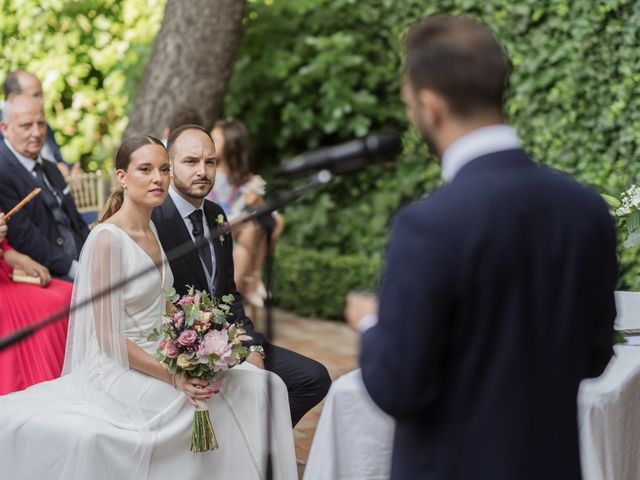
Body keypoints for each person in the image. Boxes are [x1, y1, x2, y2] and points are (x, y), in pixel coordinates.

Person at [345, 15, 618, 480]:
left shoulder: (427, 225)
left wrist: (371, 324)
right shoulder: (585, 209)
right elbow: (595, 356)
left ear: (430, 106)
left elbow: (398, 387)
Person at [0, 136, 298, 479]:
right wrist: (176, 375)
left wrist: (200, 346)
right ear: (122, 176)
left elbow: (169, 303)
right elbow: (109, 338)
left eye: (164, 169)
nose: (157, 178)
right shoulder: (106, 239)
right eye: (145, 169)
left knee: (264, 384)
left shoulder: (153, 228)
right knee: (208, 398)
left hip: (162, 352)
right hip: (119, 368)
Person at [152, 124, 330, 426]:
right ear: (169, 165)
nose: (202, 171)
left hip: (227, 342)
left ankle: (257, 446)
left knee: (314, 378)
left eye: (210, 162)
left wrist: (251, 346)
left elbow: (228, 295)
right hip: (178, 349)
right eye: (191, 162)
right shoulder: (154, 218)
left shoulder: (216, 215)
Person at [0, 94, 89, 279]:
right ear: (5, 129)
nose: (37, 133)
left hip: (83, 259)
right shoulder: (3, 171)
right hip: (48, 272)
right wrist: (76, 270)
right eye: (27, 126)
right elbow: (25, 237)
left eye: (41, 124)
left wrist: (94, 253)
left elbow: (76, 221)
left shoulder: (50, 168)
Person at [207, 119, 285, 307]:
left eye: (215, 140)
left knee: (276, 220)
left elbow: (269, 214)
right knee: (249, 226)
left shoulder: (244, 178)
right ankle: (253, 281)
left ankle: (253, 278)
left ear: (231, 145)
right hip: (214, 228)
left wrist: (258, 203)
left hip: (240, 234)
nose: (209, 143)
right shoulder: (207, 172)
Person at [0, 212, 72, 395]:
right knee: (50, 305)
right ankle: (37, 391)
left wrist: (22, 259)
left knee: (70, 293)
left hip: (5, 273)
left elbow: (4, 247)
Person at [0, 69, 80, 177]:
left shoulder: (42, 125)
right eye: (35, 95)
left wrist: (71, 170)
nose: (41, 101)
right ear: (13, 99)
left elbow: (56, 160)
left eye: (42, 95)